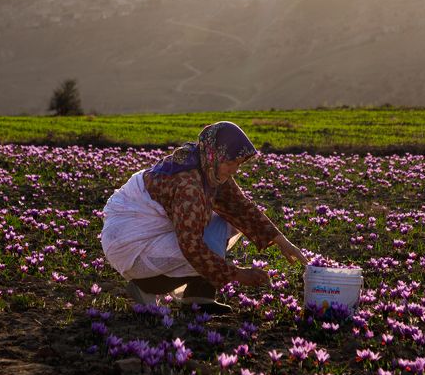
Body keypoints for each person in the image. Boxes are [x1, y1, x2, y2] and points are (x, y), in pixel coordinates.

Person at [101, 121, 307, 314]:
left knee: (228, 221)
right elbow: (191, 246)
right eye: (231, 162)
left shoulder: (206, 164)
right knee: (204, 244)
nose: (234, 169)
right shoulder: (189, 186)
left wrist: (282, 242)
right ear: (215, 155)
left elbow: (240, 207)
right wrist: (237, 274)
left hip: (147, 229)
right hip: (130, 241)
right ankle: (145, 286)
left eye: (239, 163)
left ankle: (198, 296)